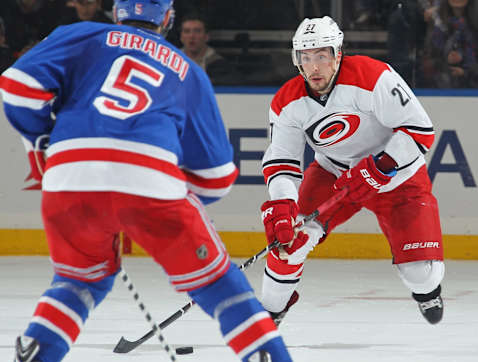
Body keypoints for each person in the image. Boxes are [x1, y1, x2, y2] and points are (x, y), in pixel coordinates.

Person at [0, 0, 292, 361]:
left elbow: (16, 85)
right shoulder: (187, 68)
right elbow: (217, 177)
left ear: (117, 12)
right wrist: (156, 192)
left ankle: (37, 352)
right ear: (169, 19)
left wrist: (43, 141)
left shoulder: (83, 34)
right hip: (151, 183)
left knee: (79, 280)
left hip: (68, 177)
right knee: (217, 282)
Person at [258, 16, 445, 346]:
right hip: (334, 173)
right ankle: (270, 311)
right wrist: (282, 204)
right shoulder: (287, 101)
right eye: (305, 57)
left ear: (338, 54)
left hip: (398, 178)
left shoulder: (373, 76)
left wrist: (382, 165)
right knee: (290, 241)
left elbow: (420, 130)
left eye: (321, 56)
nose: (313, 67)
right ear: (296, 59)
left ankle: (427, 290)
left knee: (421, 274)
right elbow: (282, 161)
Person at [421, 0, 478, 88]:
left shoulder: (475, 24)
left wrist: (467, 71)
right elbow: (428, 57)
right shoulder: (437, 22)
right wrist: (446, 60)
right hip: (440, 89)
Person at [179, 13, 238, 85]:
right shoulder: (170, 61)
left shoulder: (220, 65)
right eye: (187, 31)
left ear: (207, 36)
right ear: (181, 37)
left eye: (197, 31)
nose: (192, 36)